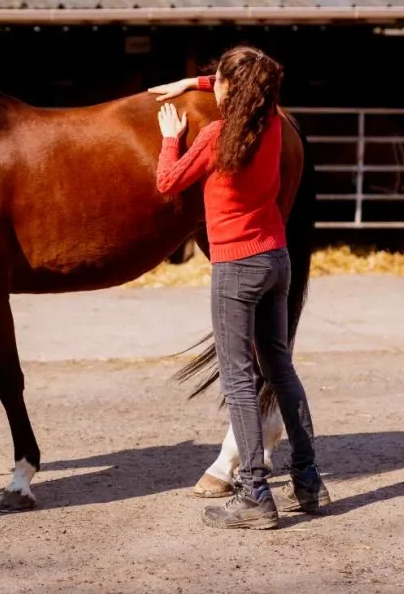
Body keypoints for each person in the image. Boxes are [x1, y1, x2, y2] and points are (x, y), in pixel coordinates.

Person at [149, 46, 330, 530]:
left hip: (236, 268)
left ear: (227, 87)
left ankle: (253, 492)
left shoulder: (215, 136)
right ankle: (308, 479)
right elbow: (250, 85)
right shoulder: (272, 124)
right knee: (280, 369)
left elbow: (168, 182)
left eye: (215, 79)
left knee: (239, 381)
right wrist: (197, 85)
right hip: (277, 260)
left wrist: (170, 138)